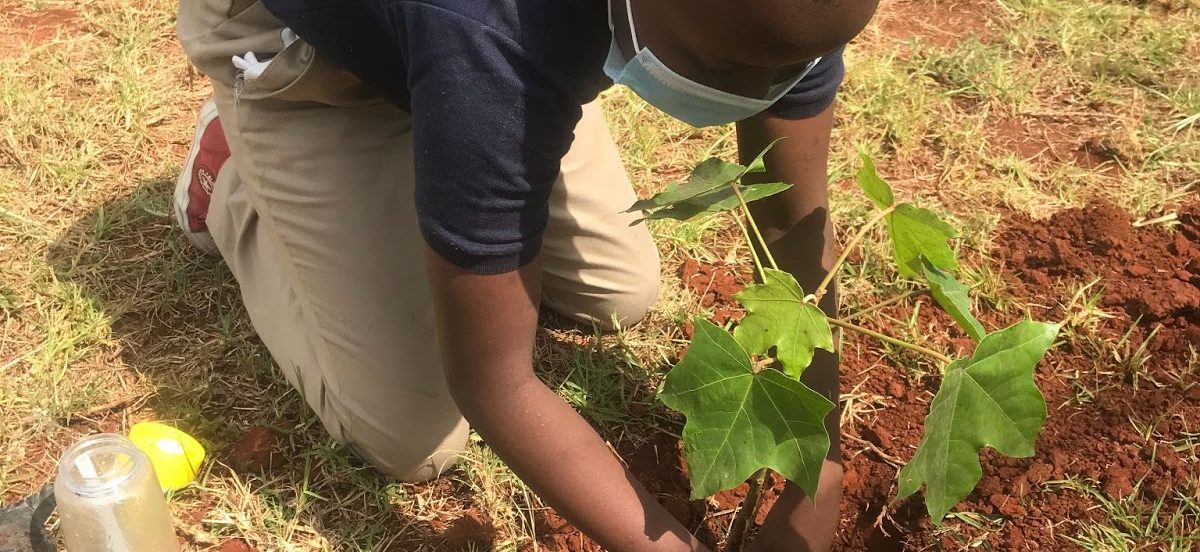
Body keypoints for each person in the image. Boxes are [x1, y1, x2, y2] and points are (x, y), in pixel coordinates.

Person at [174, 0, 878, 550]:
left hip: (482, 59)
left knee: (619, 294)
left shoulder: (783, 21)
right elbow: (493, 382)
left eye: (785, 70)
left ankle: (473, 144)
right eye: (725, 71)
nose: (758, 95)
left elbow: (790, 224)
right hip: (308, 63)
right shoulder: (491, 30)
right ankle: (230, 182)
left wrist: (819, 467)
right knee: (409, 434)